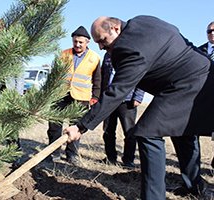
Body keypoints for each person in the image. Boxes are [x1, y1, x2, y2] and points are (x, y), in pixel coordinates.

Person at [64, 15, 214, 200]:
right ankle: (194, 188)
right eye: (97, 43)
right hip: (199, 75)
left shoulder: (130, 48)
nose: (101, 47)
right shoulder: (142, 21)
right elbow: (174, 30)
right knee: (181, 133)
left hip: (189, 83)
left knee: (147, 132)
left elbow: (117, 91)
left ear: (115, 29)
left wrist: (81, 126)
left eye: (102, 40)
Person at [47, 26, 101, 165]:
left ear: (87, 42)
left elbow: (98, 80)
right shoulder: (64, 54)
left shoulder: (94, 58)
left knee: (76, 127)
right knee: (54, 125)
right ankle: (53, 153)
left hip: (81, 97)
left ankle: (72, 155)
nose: (77, 44)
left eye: (80, 42)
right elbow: (54, 74)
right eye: (75, 41)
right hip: (61, 95)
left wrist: (95, 97)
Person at [101, 52, 144, 168]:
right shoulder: (107, 55)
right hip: (109, 99)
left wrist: (138, 96)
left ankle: (128, 160)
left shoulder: (131, 52)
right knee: (108, 131)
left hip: (127, 100)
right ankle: (110, 158)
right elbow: (103, 75)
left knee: (129, 131)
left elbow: (141, 74)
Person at [198, 21, 214, 169]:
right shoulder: (197, 51)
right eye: (209, 31)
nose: (212, 33)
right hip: (199, 97)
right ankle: (192, 166)